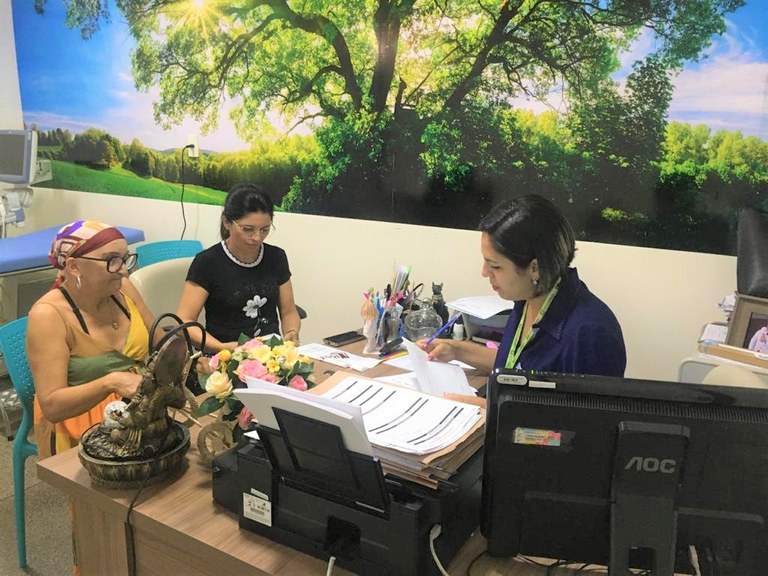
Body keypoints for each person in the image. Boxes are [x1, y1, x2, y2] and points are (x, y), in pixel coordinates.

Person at [420, 195, 626, 400]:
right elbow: (517, 368)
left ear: (535, 268)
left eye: (495, 266)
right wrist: (456, 350)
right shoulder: (528, 297)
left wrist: (484, 409)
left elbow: (588, 418)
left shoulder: (591, 333)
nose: (484, 272)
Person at [27, 220, 159, 459]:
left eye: (125, 258)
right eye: (111, 260)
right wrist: (111, 382)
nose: (123, 270)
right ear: (74, 266)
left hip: (138, 411)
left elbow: (160, 338)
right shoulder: (48, 315)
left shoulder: (123, 290)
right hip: (83, 431)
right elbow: (52, 406)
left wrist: (193, 356)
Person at [177, 183, 301, 352]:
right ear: (227, 222)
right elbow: (185, 321)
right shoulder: (208, 262)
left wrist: (291, 332)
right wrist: (221, 348)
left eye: (264, 229)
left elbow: (288, 311)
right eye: (248, 229)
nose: (257, 238)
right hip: (224, 356)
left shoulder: (276, 257)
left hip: (271, 355)